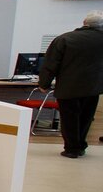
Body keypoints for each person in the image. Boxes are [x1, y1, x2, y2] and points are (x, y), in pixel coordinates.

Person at [38, 11, 103, 158]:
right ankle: (81, 145)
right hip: (93, 87)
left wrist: (44, 83)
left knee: (69, 119)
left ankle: (71, 148)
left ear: (84, 23)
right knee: (86, 118)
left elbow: (51, 64)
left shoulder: (64, 39)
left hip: (68, 87)